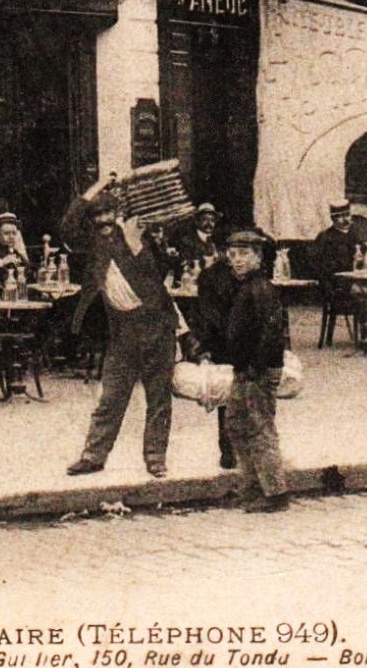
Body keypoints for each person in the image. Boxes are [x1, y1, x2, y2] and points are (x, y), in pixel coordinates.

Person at [62, 177, 179, 478]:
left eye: (108, 215)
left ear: (119, 216)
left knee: (158, 398)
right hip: (122, 330)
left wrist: (136, 244)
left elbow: (160, 274)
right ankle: (93, 456)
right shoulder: (95, 244)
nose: (103, 221)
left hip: (156, 327)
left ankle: (155, 458)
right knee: (111, 397)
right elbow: (68, 226)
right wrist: (95, 188)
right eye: (97, 216)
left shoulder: (141, 238)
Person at [213, 229, 291, 513]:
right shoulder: (247, 287)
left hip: (256, 371)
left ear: (258, 257)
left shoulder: (262, 290)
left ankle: (275, 492)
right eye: (232, 255)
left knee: (259, 429)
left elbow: (272, 332)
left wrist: (255, 367)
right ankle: (251, 486)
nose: (237, 260)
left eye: (244, 254)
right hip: (245, 370)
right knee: (236, 424)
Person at [190, 241, 240, 470]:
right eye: (230, 250)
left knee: (237, 398)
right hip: (229, 344)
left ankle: (235, 451)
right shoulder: (213, 277)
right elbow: (207, 316)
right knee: (232, 397)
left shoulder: (247, 276)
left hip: (235, 344)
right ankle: (231, 450)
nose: (235, 256)